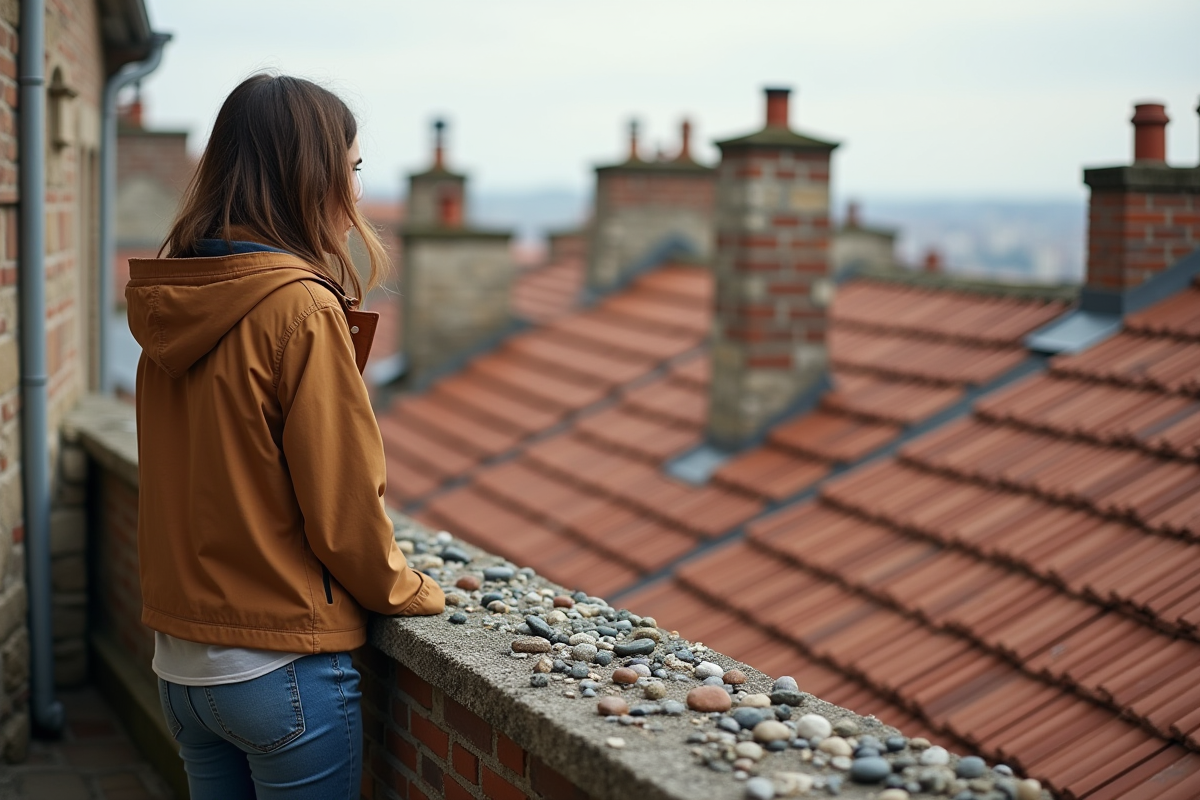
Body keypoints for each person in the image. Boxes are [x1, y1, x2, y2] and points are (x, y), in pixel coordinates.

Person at [125, 73, 444, 800]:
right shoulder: (301, 308)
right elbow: (344, 506)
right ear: (310, 175)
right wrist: (409, 588)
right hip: (280, 667)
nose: (358, 191)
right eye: (351, 168)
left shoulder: (172, 301)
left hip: (180, 666)